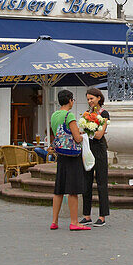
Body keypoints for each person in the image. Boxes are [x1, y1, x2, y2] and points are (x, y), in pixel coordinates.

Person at [50, 89, 89, 230]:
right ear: (70, 100)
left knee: (59, 188)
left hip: (61, 153)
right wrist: (82, 135)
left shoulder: (54, 115)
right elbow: (77, 138)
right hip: (72, 155)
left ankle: (54, 221)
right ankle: (74, 222)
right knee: (73, 189)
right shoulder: (69, 115)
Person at [80, 87, 110, 227]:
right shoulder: (86, 114)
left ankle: (102, 216)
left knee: (101, 181)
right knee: (86, 181)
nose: (90, 101)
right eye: (88, 99)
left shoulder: (104, 114)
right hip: (88, 148)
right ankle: (87, 215)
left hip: (99, 148)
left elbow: (99, 134)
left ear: (99, 98)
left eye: (92, 98)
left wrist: (89, 131)